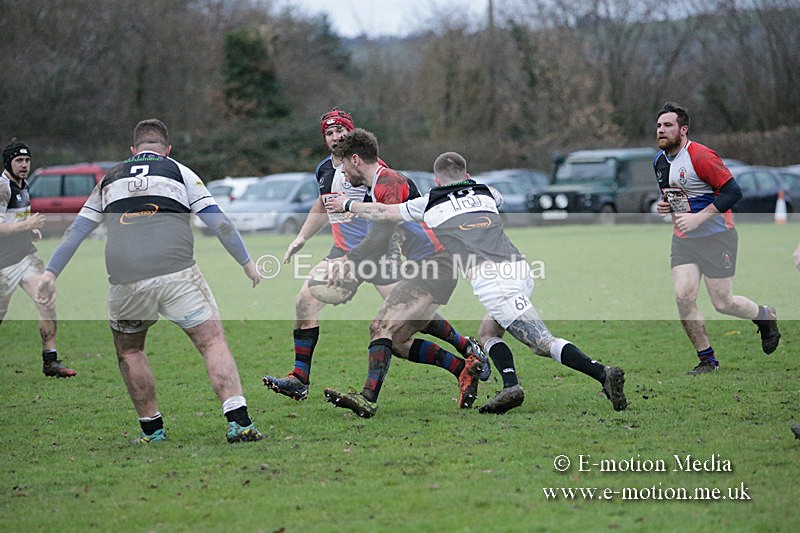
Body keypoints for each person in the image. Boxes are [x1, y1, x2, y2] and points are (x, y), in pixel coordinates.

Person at [326, 151, 628, 415]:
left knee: (541, 343)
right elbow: (494, 199)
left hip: (494, 280)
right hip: (520, 268)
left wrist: (348, 206)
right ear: (467, 175)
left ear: (436, 179)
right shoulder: (487, 192)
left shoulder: (430, 202)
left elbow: (384, 212)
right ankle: (511, 386)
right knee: (488, 333)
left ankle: (602, 373)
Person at [36, 119, 265, 444]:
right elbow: (219, 222)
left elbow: (76, 231)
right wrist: (246, 262)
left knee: (130, 351)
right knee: (211, 341)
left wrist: (50, 273)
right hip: (177, 272)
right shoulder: (178, 170)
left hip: (126, 278)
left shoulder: (109, 178)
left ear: (133, 150)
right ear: (167, 149)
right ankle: (239, 423)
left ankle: (152, 430)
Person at [263, 109, 486, 403]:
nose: (335, 137)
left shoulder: (375, 173)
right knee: (304, 301)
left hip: (380, 251)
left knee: (406, 321)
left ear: (352, 136)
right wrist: (302, 237)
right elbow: (323, 204)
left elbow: (388, 220)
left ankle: (464, 348)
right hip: (344, 251)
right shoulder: (325, 170)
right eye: (329, 133)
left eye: (340, 131)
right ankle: (300, 378)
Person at [319, 129, 485, 418]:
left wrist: (348, 262)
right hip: (426, 265)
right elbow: (378, 238)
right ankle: (463, 366)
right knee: (397, 340)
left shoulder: (390, 182)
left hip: (436, 264)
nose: (343, 173)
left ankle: (367, 398)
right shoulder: (376, 187)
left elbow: (381, 232)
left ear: (356, 159)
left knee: (380, 326)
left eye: (344, 165)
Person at [654, 101, 781, 374]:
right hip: (684, 240)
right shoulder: (659, 162)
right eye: (659, 126)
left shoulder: (701, 156)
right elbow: (676, 196)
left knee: (723, 303)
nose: (661, 131)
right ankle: (707, 360)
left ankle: (765, 315)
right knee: (683, 296)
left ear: (683, 129)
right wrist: (664, 205)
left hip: (717, 237)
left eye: (668, 125)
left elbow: (733, 192)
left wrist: (699, 218)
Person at [0, 140, 76, 378]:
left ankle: (50, 361)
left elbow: (13, 222)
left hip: (25, 257)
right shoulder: (2, 187)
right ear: (8, 163)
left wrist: (28, 230)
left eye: (27, 160)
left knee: (47, 301)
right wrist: (28, 224)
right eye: (19, 161)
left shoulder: (23, 184)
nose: (24, 165)